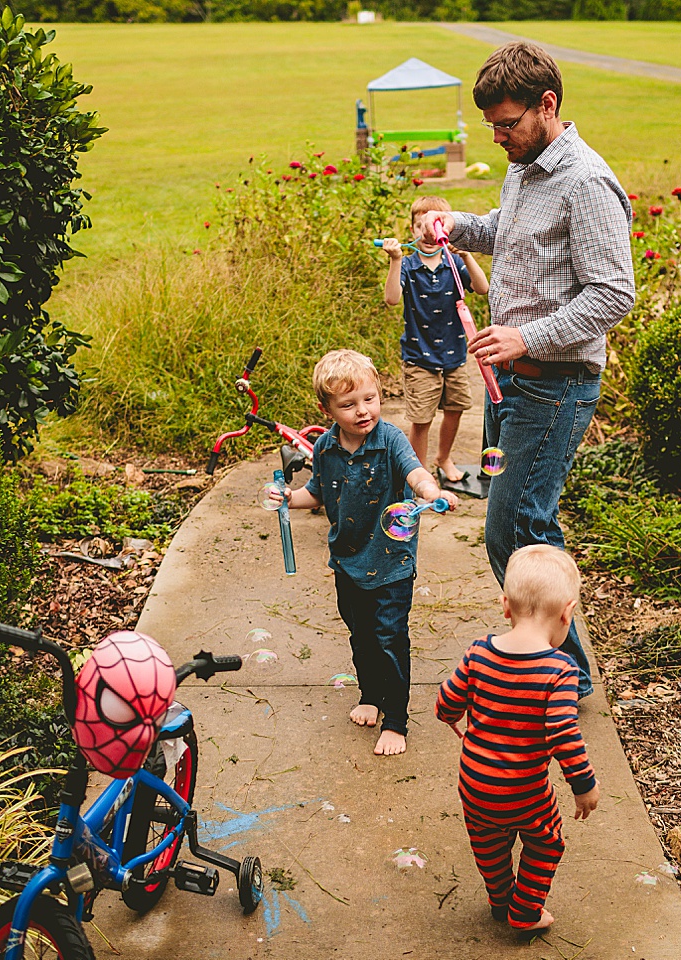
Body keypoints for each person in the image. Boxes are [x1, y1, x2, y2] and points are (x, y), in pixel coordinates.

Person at [426, 42, 635, 699]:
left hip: (555, 383)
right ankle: (548, 659)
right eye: (491, 124)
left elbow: (614, 295)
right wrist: (453, 226)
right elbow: (508, 231)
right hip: (510, 380)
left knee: (515, 528)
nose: (498, 137)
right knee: (522, 523)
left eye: (507, 123)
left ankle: (562, 676)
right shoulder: (525, 162)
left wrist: (525, 336)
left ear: (548, 104)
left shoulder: (586, 182)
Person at [269, 349, 459, 756]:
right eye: (348, 404)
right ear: (327, 409)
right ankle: (370, 695)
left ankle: (396, 720)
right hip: (348, 562)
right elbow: (315, 494)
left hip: (391, 564)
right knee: (362, 636)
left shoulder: (389, 439)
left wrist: (431, 491)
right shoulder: (324, 447)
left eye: (369, 399)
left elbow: (416, 471)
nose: (362, 411)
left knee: (390, 638)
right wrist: (286, 497)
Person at [435, 544, 600, 933]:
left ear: (506, 605)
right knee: (546, 842)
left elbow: (447, 700)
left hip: (474, 784)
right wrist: (584, 786)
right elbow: (563, 735)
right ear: (567, 613)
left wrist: (450, 717)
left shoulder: (478, 652)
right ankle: (524, 911)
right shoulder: (561, 671)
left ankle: (500, 899)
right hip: (523, 788)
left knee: (488, 843)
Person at [381, 196, 490, 483]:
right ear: (413, 229)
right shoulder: (407, 265)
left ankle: (443, 458)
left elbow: (482, 287)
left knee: (455, 409)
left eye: (437, 226)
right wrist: (395, 261)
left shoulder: (454, 262)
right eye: (421, 227)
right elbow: (391, 299)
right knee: (422, 418)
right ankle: (419, 471)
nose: (428, 234)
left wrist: (467, 254)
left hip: (454, 355)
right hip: (419, 357)